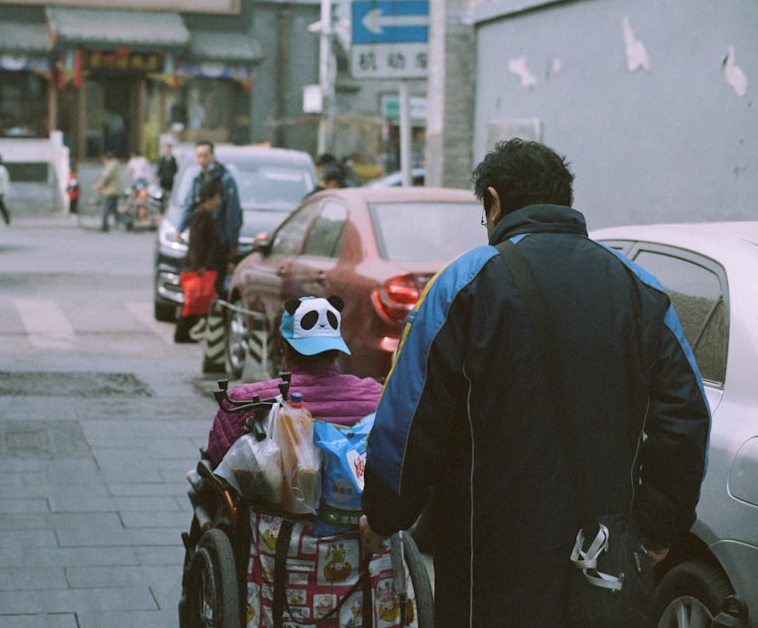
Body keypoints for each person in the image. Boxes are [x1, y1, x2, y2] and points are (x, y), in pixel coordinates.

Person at [359, 138, 711, 626]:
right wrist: (657, 526)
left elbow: (410, 419)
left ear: (495, 202)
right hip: (601, 559)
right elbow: (686, 418)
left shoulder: (464, 284)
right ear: (565, 201)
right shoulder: (640, 288)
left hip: (489, 555)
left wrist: (384, 514)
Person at [207, 295, 382, 465]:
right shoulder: (376, 396)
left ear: (284, 347)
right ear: (337, 351)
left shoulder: (244, 398)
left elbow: (218, 455)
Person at [174, 175, 227, 343]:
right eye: (217, 197)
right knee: (194, 301)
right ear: (209, 198)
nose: (219, 201)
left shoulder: (204, 215)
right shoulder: (201, 216)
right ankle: (182, 333)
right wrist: (198, 265)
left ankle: (185, 333)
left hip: (201, 266)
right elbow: (196, 242)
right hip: (199, 268)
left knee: (196, 301)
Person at [175, 141, 242, 270]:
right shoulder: (198, 179)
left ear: (213, 156)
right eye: (199, 156)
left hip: (219, 239)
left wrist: (232, 242)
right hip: (202, 237)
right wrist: (180, 228)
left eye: (206, 155)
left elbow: (233, 213)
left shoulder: (225, 179)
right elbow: (189, 204)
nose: (203, 160)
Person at [93, 152, 129, 232]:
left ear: (106, 159)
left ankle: (104, 226)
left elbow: (106, 177)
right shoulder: (114, 165)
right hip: (114, 190)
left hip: (111, 191)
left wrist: (98, 186)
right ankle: (127, 222)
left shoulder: (111, 166)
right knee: (114, 211)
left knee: (106, 210)